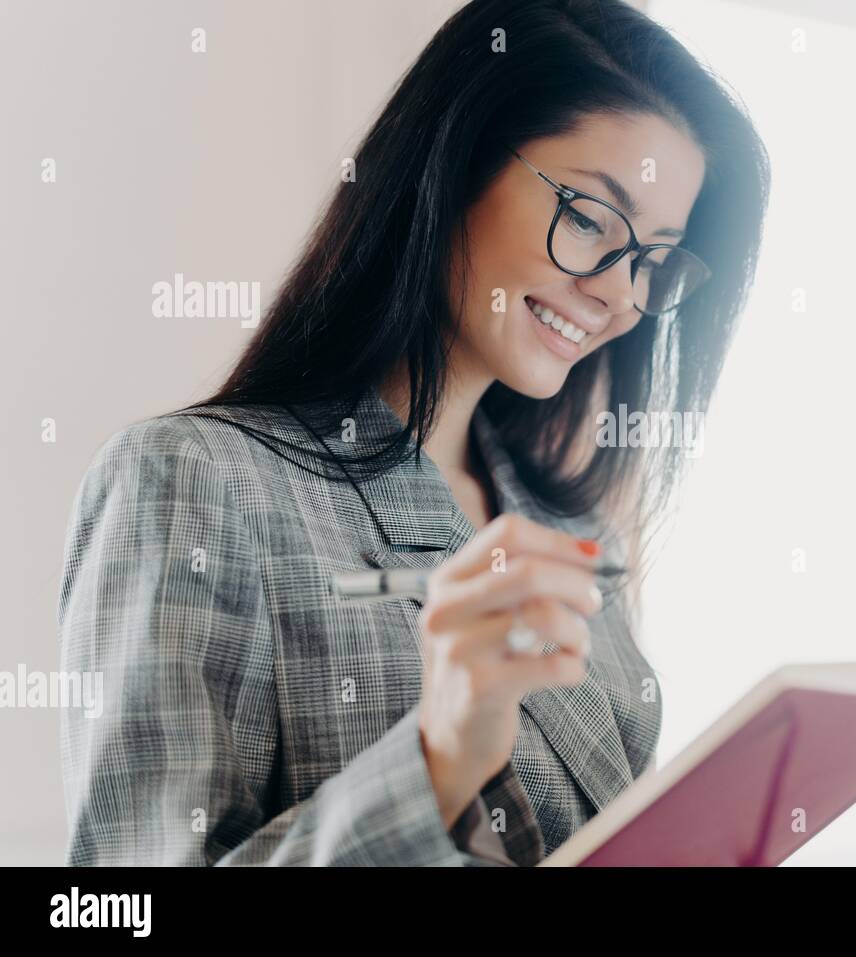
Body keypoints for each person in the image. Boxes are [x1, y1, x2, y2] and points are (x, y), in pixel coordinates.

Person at [57, 0, 769, 866]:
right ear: (454, 161)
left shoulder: (575, 538)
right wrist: (437, 761)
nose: (622, 296)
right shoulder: (192, 481)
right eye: (589, 219)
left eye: (654, 259)